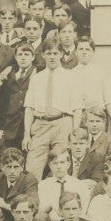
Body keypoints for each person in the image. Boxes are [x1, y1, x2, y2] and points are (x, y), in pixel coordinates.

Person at [23, 40, 77, 178]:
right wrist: (26, 134)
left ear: (60, 54)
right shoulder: (36, 78)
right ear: (42, 55)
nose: (52, 57)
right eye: (48, 53)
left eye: (55, 53)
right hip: (40, 125)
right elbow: (29, 107)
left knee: (60, 166)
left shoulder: (70, 77)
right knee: (32, 169)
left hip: (62, 124)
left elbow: (77, 108)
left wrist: (74, 134)